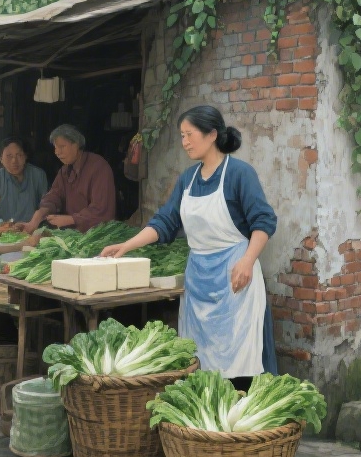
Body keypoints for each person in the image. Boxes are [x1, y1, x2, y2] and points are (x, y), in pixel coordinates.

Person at [100, 105, 278, 387]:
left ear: (211, 135)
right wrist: (126, 245)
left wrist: (247, 261)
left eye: (189, 135)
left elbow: (264, 222)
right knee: (199, 358)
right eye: (182, 136)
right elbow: (165, 222)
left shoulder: (239, 174)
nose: (184, 142)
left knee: (241, 356)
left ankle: (240, 421)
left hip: (235, 278)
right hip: (199, 280)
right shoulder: (188, 179)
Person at [16, 124, 115, 233]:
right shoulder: (64, 170)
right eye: (55, 147)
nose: (57, 152)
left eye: (62, 146)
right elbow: (54, 195)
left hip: (96, 235)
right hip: (71, 235)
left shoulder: (99, 167)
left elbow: (100, 209)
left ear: (76, 145)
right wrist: (41, 213)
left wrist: (71, 219)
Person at [0, 137, 48, 223]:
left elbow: (46, 206)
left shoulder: (38, 175)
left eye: (19, 155)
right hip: (3, 230)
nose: (14, 161)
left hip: (32, 229)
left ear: (25, 156)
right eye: (9, 156)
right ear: (1, 159)